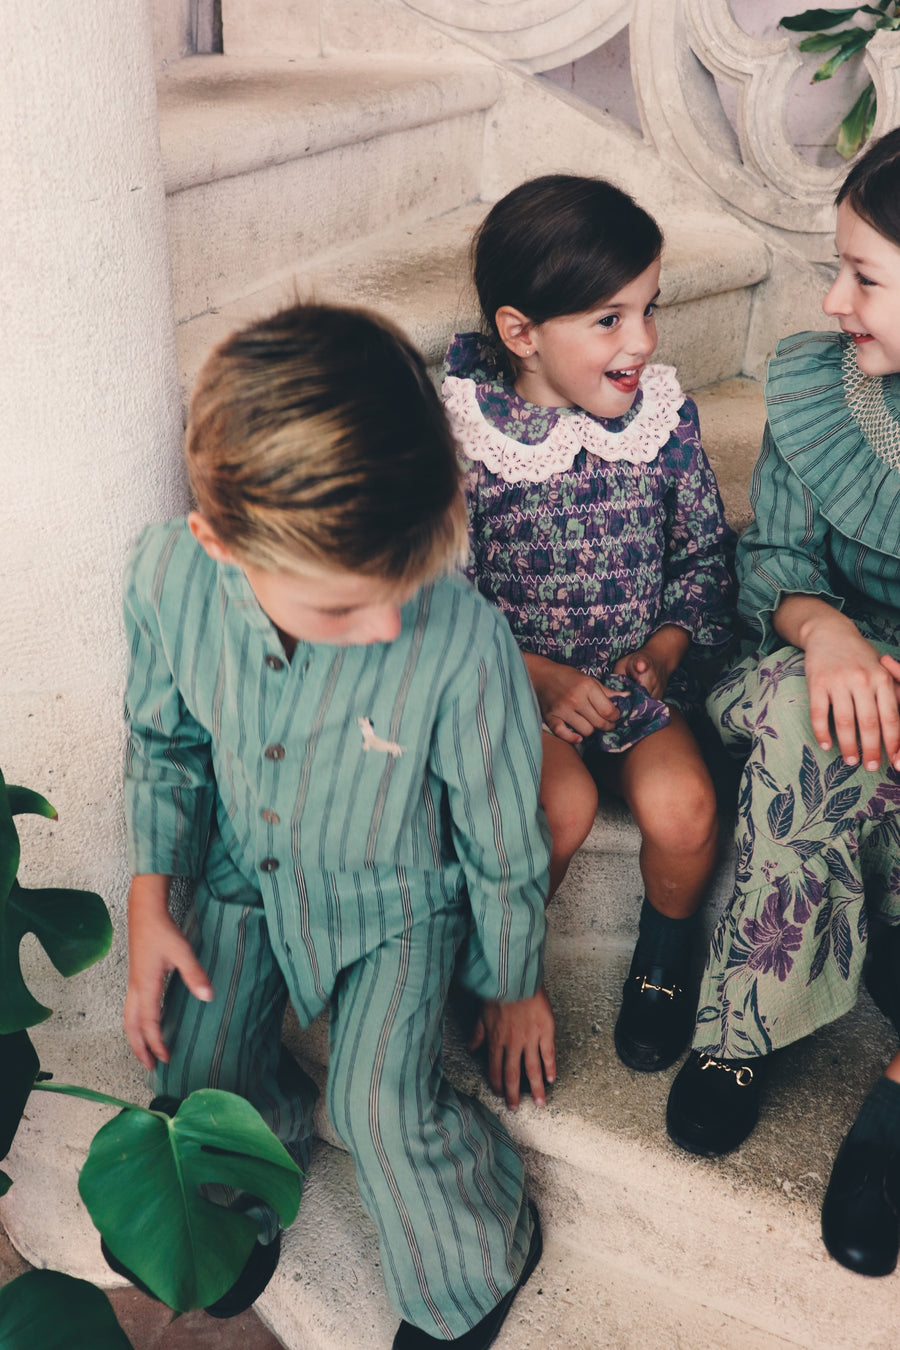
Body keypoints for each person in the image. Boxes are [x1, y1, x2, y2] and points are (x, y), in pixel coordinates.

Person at [120, 302, 553, 1348]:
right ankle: (249, 1188)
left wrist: (513, 980)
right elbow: (163, 743)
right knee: (197, 1071)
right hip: (239, 878)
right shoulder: (167, 576)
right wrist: (148, 901)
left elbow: (503, 839)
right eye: (344, 608)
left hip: (395, 906)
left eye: (402, 589)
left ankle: (481, 1250)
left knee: (374, 1108)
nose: (387, 626)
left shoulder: (461, 640)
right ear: (219, 541)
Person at [665, 126, 900, 1280]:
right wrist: (832, 633)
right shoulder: (819, 388)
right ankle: (741, 1023)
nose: (833, 297)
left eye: (867, 276)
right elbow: (771, 575)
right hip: (800, 659)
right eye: (838, 265)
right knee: (825, 731)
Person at [442, 174, 735, 1076]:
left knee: (686, 811)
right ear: (520, 332)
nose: (641, 340)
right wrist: (537, 678)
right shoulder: (468, 433)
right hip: (513, 686)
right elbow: (443, 600)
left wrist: (662, 650)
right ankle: (502, 965)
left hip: (633, 683)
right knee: (554, 810)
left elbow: (704, 560)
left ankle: (664, 958)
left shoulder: (665, 419)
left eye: (648, 309)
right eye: (609, 319)